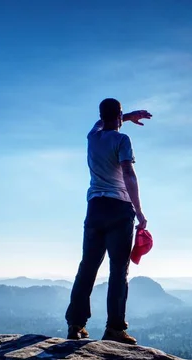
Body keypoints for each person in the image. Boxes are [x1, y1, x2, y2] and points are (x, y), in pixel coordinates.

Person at [65, 98, 151, 344]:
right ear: (119, 114)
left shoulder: (93, 137)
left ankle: (76, 324)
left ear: (101, 116)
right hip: (119, 208)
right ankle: (114, 328)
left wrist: (126, 116)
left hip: (94, 208)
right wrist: (140, 212)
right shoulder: (122, 140)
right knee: (118, 270)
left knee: (88, 266)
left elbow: (100, 123)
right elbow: (128, 173)